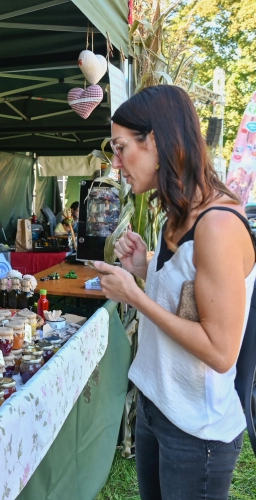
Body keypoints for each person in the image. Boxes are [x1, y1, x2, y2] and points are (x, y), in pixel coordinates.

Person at [95, 85, 255, 499]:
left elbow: (220, 351)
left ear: (157, 140)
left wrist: (135, 297)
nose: (116, 163)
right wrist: (145, 269)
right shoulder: (180, 212)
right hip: (158, 405)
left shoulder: (217, 226)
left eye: (121, 147)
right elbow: (193, 298)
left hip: (195, 431)